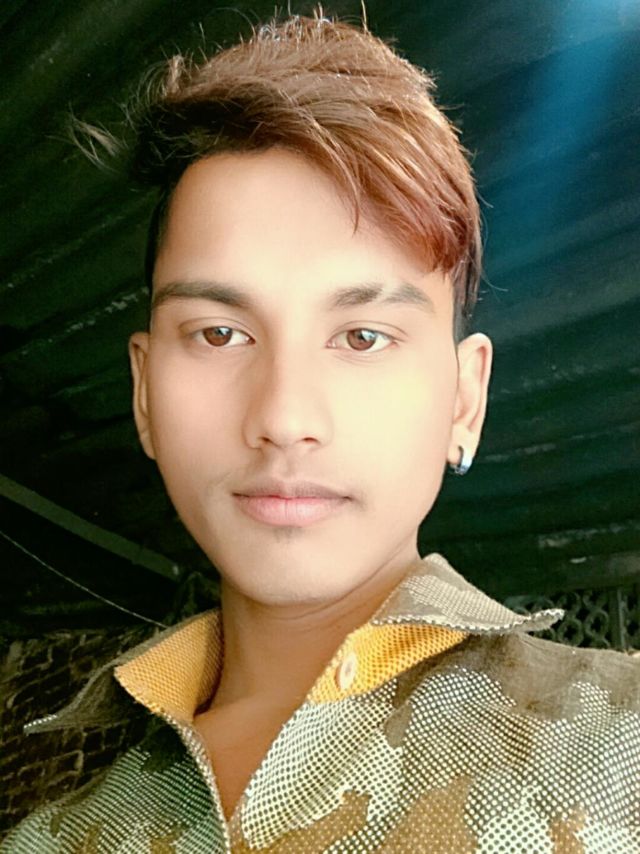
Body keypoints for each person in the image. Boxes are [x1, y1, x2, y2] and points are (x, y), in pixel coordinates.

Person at [3, 8, 639, 853]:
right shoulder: (48, 841)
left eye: (363, 337)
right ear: (145, 393)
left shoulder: (622, 750)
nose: (283, 419)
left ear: (464, 400)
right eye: (219, 334)